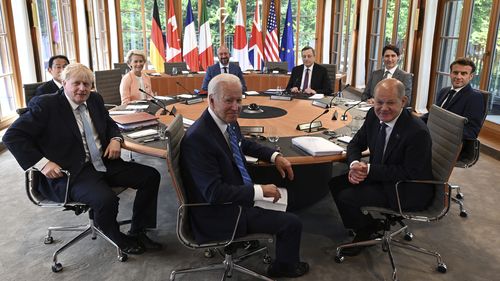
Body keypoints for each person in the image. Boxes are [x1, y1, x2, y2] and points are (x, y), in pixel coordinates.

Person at [3, 63, 162, 255]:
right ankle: (115, 235)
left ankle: (139, 229)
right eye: (76, 83)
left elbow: (110, 122)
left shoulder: (94, 99)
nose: (82, 88)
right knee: (105, 200)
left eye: (87, 84)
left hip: (103, 161)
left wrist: (115, 138)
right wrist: (43, 163)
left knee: (150, 176)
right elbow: (12, 136)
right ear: (64, 83)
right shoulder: (46, 105)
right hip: (71, 171)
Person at [181, 73, 309, 278]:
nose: (236, 106)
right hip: (219, 213)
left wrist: (274, 155)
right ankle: (284, 269)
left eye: (239, 100)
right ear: (211, 100)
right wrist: (258, 191)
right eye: (229, 100)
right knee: (292, 223)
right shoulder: (198, 139)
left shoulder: (226, 120)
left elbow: (243, 143)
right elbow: (214, 193)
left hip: (234, 193)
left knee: (292, 195)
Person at [329, 78, 433, 256]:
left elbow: (409, 172)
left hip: (406, 187)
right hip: (382, 175)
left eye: (390, 102)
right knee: (336, 184)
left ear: (403, 102)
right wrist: (354, 165)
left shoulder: (417, 132)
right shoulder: (372, 115)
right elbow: (355, 144)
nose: (383, 108)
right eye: (379, 102)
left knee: (347, 196)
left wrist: (368, 170)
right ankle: (367, 226)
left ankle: (365, 232)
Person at [421, 57, 484, 140]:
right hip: (432, 134)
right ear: (450, 74)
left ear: (471, 76)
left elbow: (471, 132)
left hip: (449, 142)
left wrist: (442, 131)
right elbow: (432, 115)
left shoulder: (475, 98)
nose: (458, 77)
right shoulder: (444, 91)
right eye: (455, 72)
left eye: (463, 73)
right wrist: (414, 121)